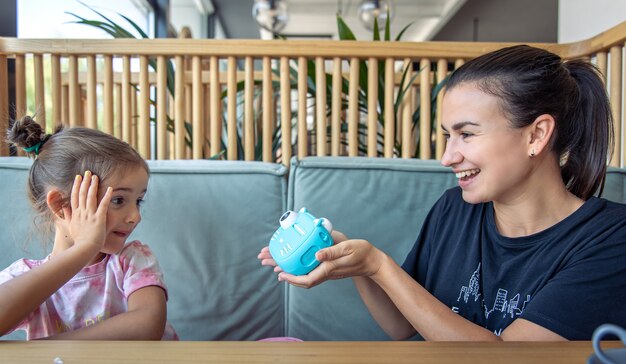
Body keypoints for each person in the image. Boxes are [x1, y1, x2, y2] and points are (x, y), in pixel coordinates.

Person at [258, 45, 626, 341]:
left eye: (466, 134)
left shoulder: (611, 239)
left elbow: (511, 358)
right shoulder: (455, 209)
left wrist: (379, 265)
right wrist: (356, 265)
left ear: (536, 135)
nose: (447, 157)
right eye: (447, 135)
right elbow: (402, 327)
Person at [0, 116, 178, 340]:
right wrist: (84, 247)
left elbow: (148, 324)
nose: (135, 216)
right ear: (60, 204)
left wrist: (45, 348)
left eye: (138, 201)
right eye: (118, 200)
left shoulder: (131, 260)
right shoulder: (25, 276)